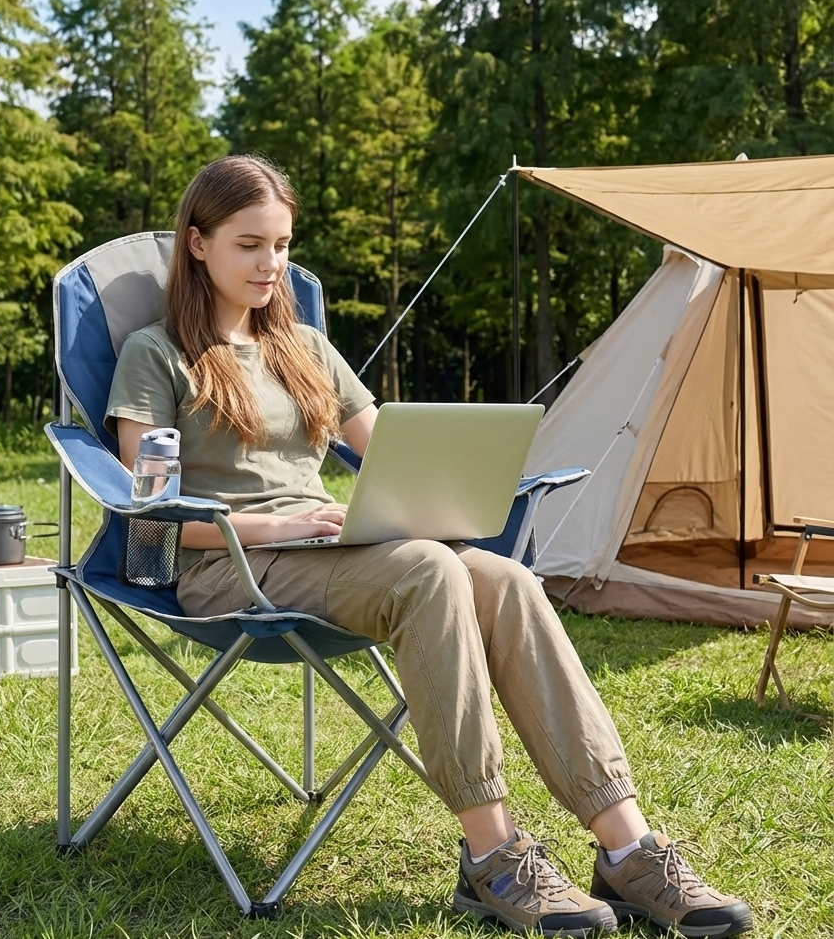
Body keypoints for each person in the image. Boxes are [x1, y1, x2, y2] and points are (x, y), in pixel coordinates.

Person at [105, 155, 752, 939]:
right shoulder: (158, 353)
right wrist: (272, 525)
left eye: (281, 244)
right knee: (430, 572)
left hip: (328, 550)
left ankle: (627, 848)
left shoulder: (305, 347)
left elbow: (390, 450)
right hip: (226, 565)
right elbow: (151, 515)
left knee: (506, 579)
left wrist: (430, 496)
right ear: (198, 243)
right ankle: (493, 856)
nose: (271, 263)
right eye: (250, 244)